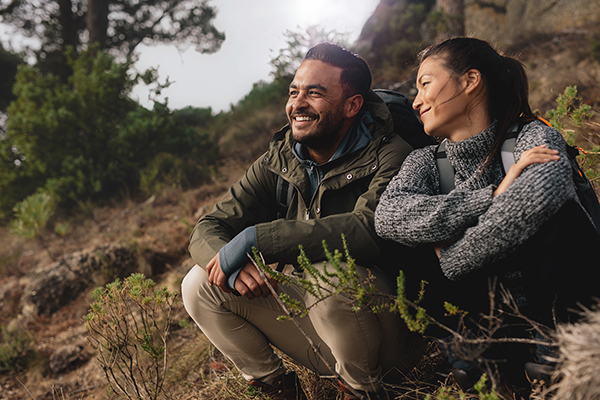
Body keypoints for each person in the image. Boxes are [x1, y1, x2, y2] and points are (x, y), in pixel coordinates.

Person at [182, 43, 421, 400]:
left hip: (391, 336)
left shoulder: (391, 153)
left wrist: (260, 239)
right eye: (294, 92)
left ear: (352, 105)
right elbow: (209, 225)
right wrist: (230, 261)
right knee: (200, 284)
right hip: (321, 332)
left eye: (315, 93)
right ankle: (277, 388)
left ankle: (361, 391)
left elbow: (369, 230)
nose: (297, 104)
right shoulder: (281, 159)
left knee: (329, 273)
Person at [374, 37, 600, 387]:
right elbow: (388, 215)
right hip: (488, 316)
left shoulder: (532, 135)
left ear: (470, 81)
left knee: (555, 213)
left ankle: (557, 349)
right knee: (402, 240)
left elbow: (539, 197)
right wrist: (494, 193)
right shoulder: (424, 163)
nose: (416, 101)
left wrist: (450, 257)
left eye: (425, 84)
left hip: (559, 308)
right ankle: (471, 351)